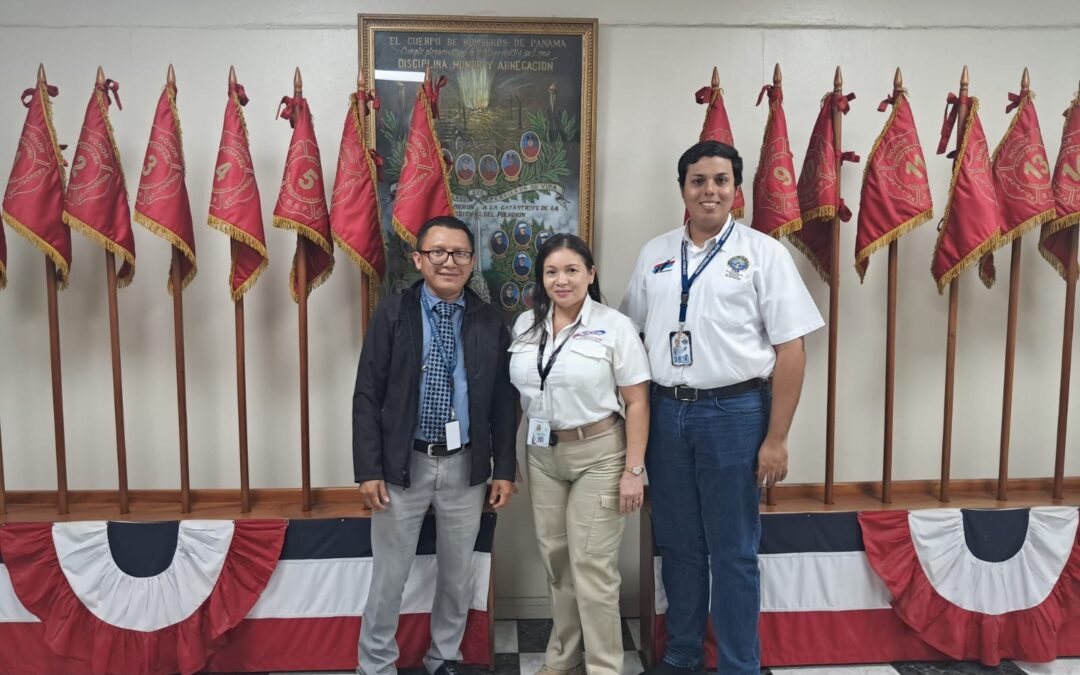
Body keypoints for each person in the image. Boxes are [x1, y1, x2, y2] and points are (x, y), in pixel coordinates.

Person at [621, 141, 823, 675]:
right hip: (667, 414)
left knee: (733, 550)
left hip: (735, 414)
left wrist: (776, 439)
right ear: (682, 189)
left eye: (720, 180)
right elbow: (630, 334)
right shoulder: (655, 253)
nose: (709, 190)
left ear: (736, 189)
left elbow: (792, 350)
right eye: (698, 181)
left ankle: (739, 664)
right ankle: (682, 654)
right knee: (678, 543)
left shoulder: (764, 254)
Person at [353, 215, 517, 675]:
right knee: (390, 574)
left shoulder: (488, 320)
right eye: (438, 252)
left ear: (472, 261)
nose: (449, 262)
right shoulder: (393, 313)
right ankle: (375, 664)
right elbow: (367, 394)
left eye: (460, 253)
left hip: (466, 465)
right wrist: (368, 469)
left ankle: (444, 656)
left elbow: (504, 402)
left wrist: (504, 468)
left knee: (457, 573)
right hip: (402, 465)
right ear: (418, 259)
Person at [509, 234, 651, 675]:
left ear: (590, 274)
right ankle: (564, 658)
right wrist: (508, 453)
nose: (561, 280)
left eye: (572, 270)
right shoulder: (525, 325)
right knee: (557, 561)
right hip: (542, 456)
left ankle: (605, 667)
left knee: (592, 566)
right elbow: (520, 397)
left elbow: (638, 402)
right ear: (541, 278)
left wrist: (634, 470)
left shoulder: (614, 326)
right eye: (551, 271)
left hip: (600, 455)